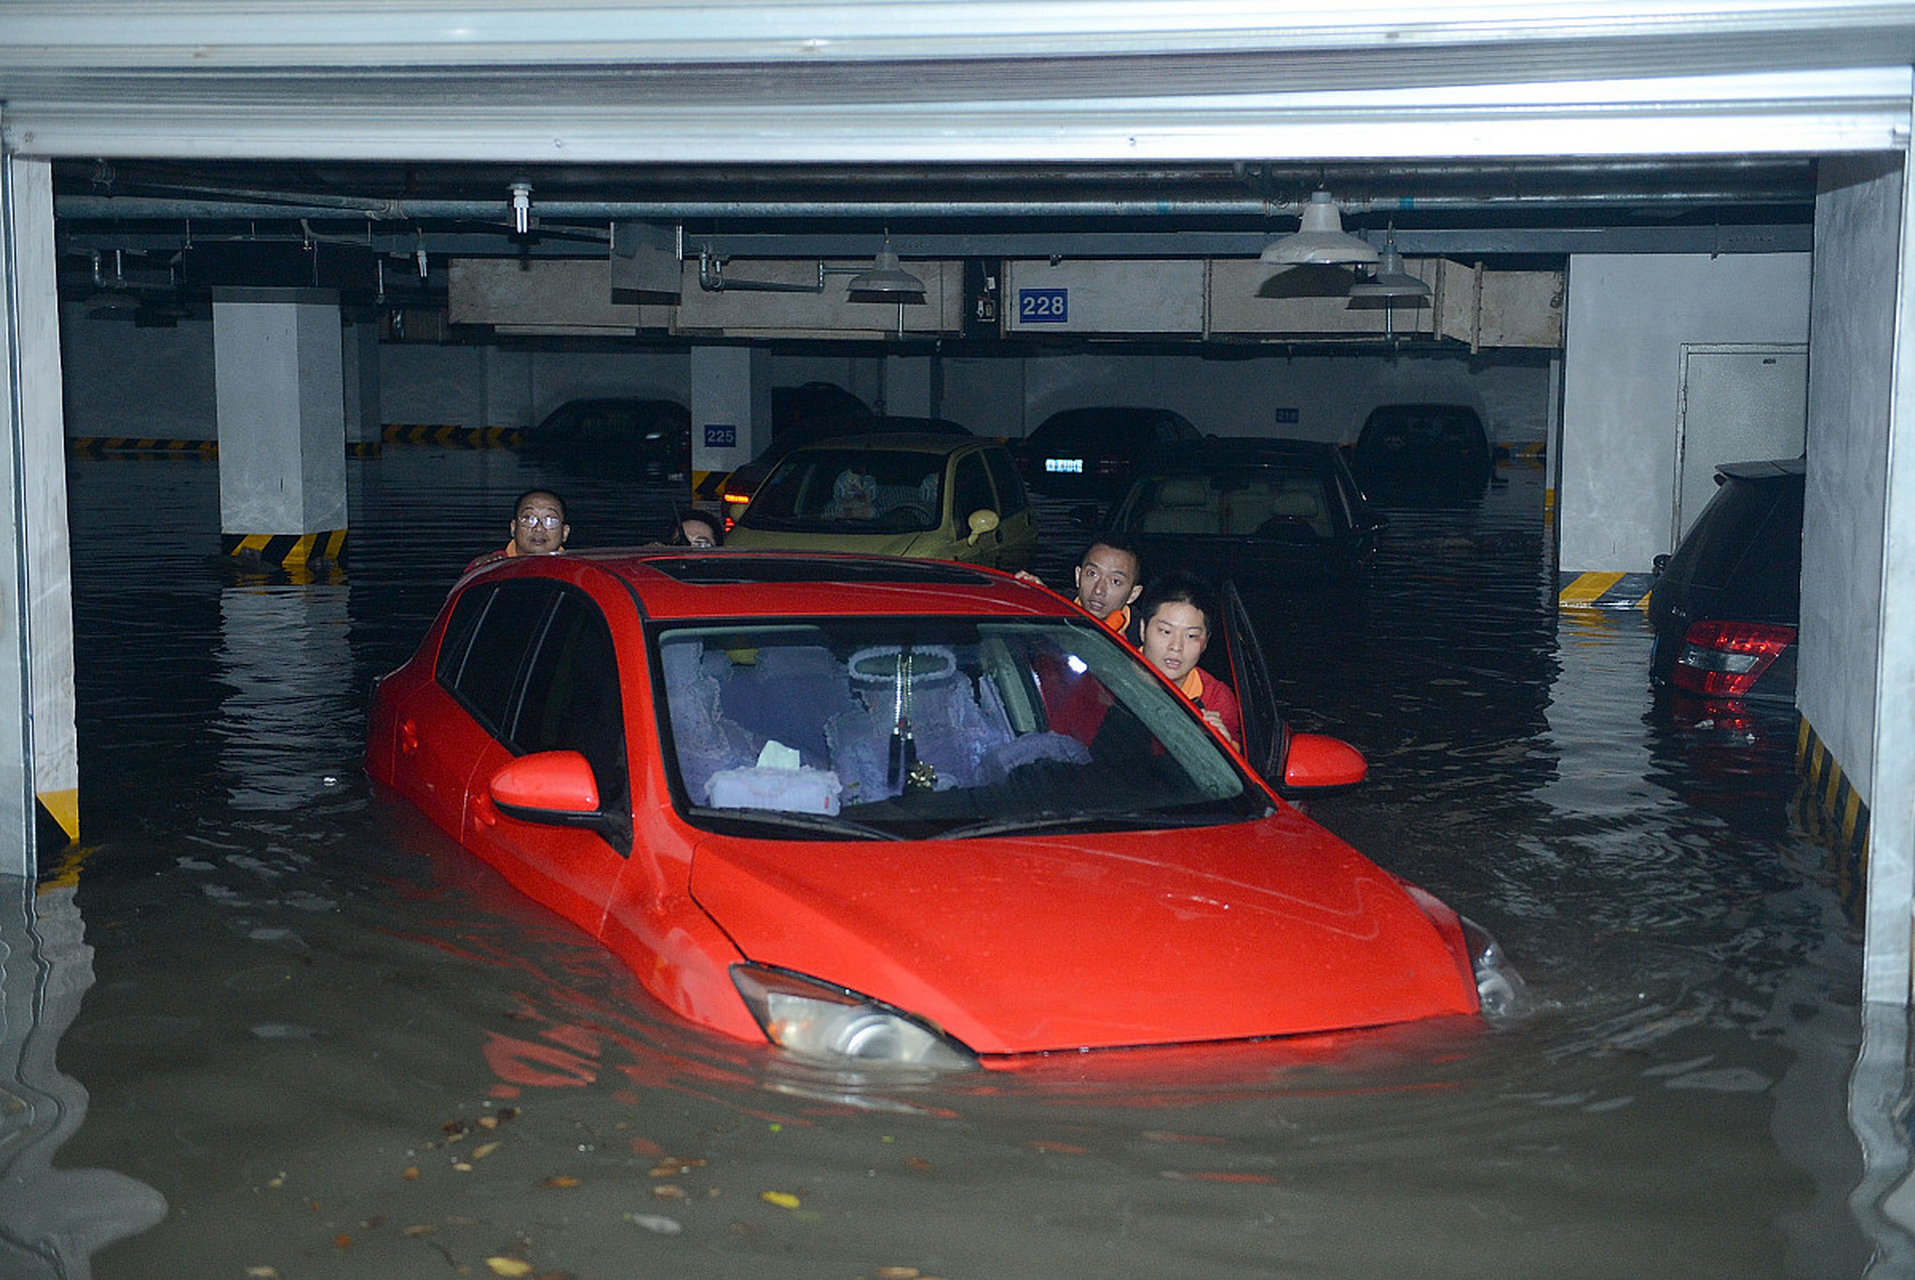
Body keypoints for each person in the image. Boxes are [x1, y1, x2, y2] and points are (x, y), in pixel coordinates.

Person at [1135, 573, 1241, 749]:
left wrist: (1222, 746)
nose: (1176, 646)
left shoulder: (1215, 698)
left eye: (1191, 636)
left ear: (1205, 642)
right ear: (1142, 629)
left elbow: (1235, 757)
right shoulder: (1108, 674)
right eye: (1166, 631)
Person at [1017, 535, 1144, 640]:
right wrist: (1039, 598)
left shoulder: (1144, 634)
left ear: (1133, 594)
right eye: (1092, 574)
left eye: (1115, 581)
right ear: (1078, 576)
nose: (1098, 590)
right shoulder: (1057, 611)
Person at [465, 488, 569, 573]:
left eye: (551, 520)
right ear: (513, 527)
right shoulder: (489, 568)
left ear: (565, 532)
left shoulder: (573, 570)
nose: (539, 528)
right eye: (528, 519)